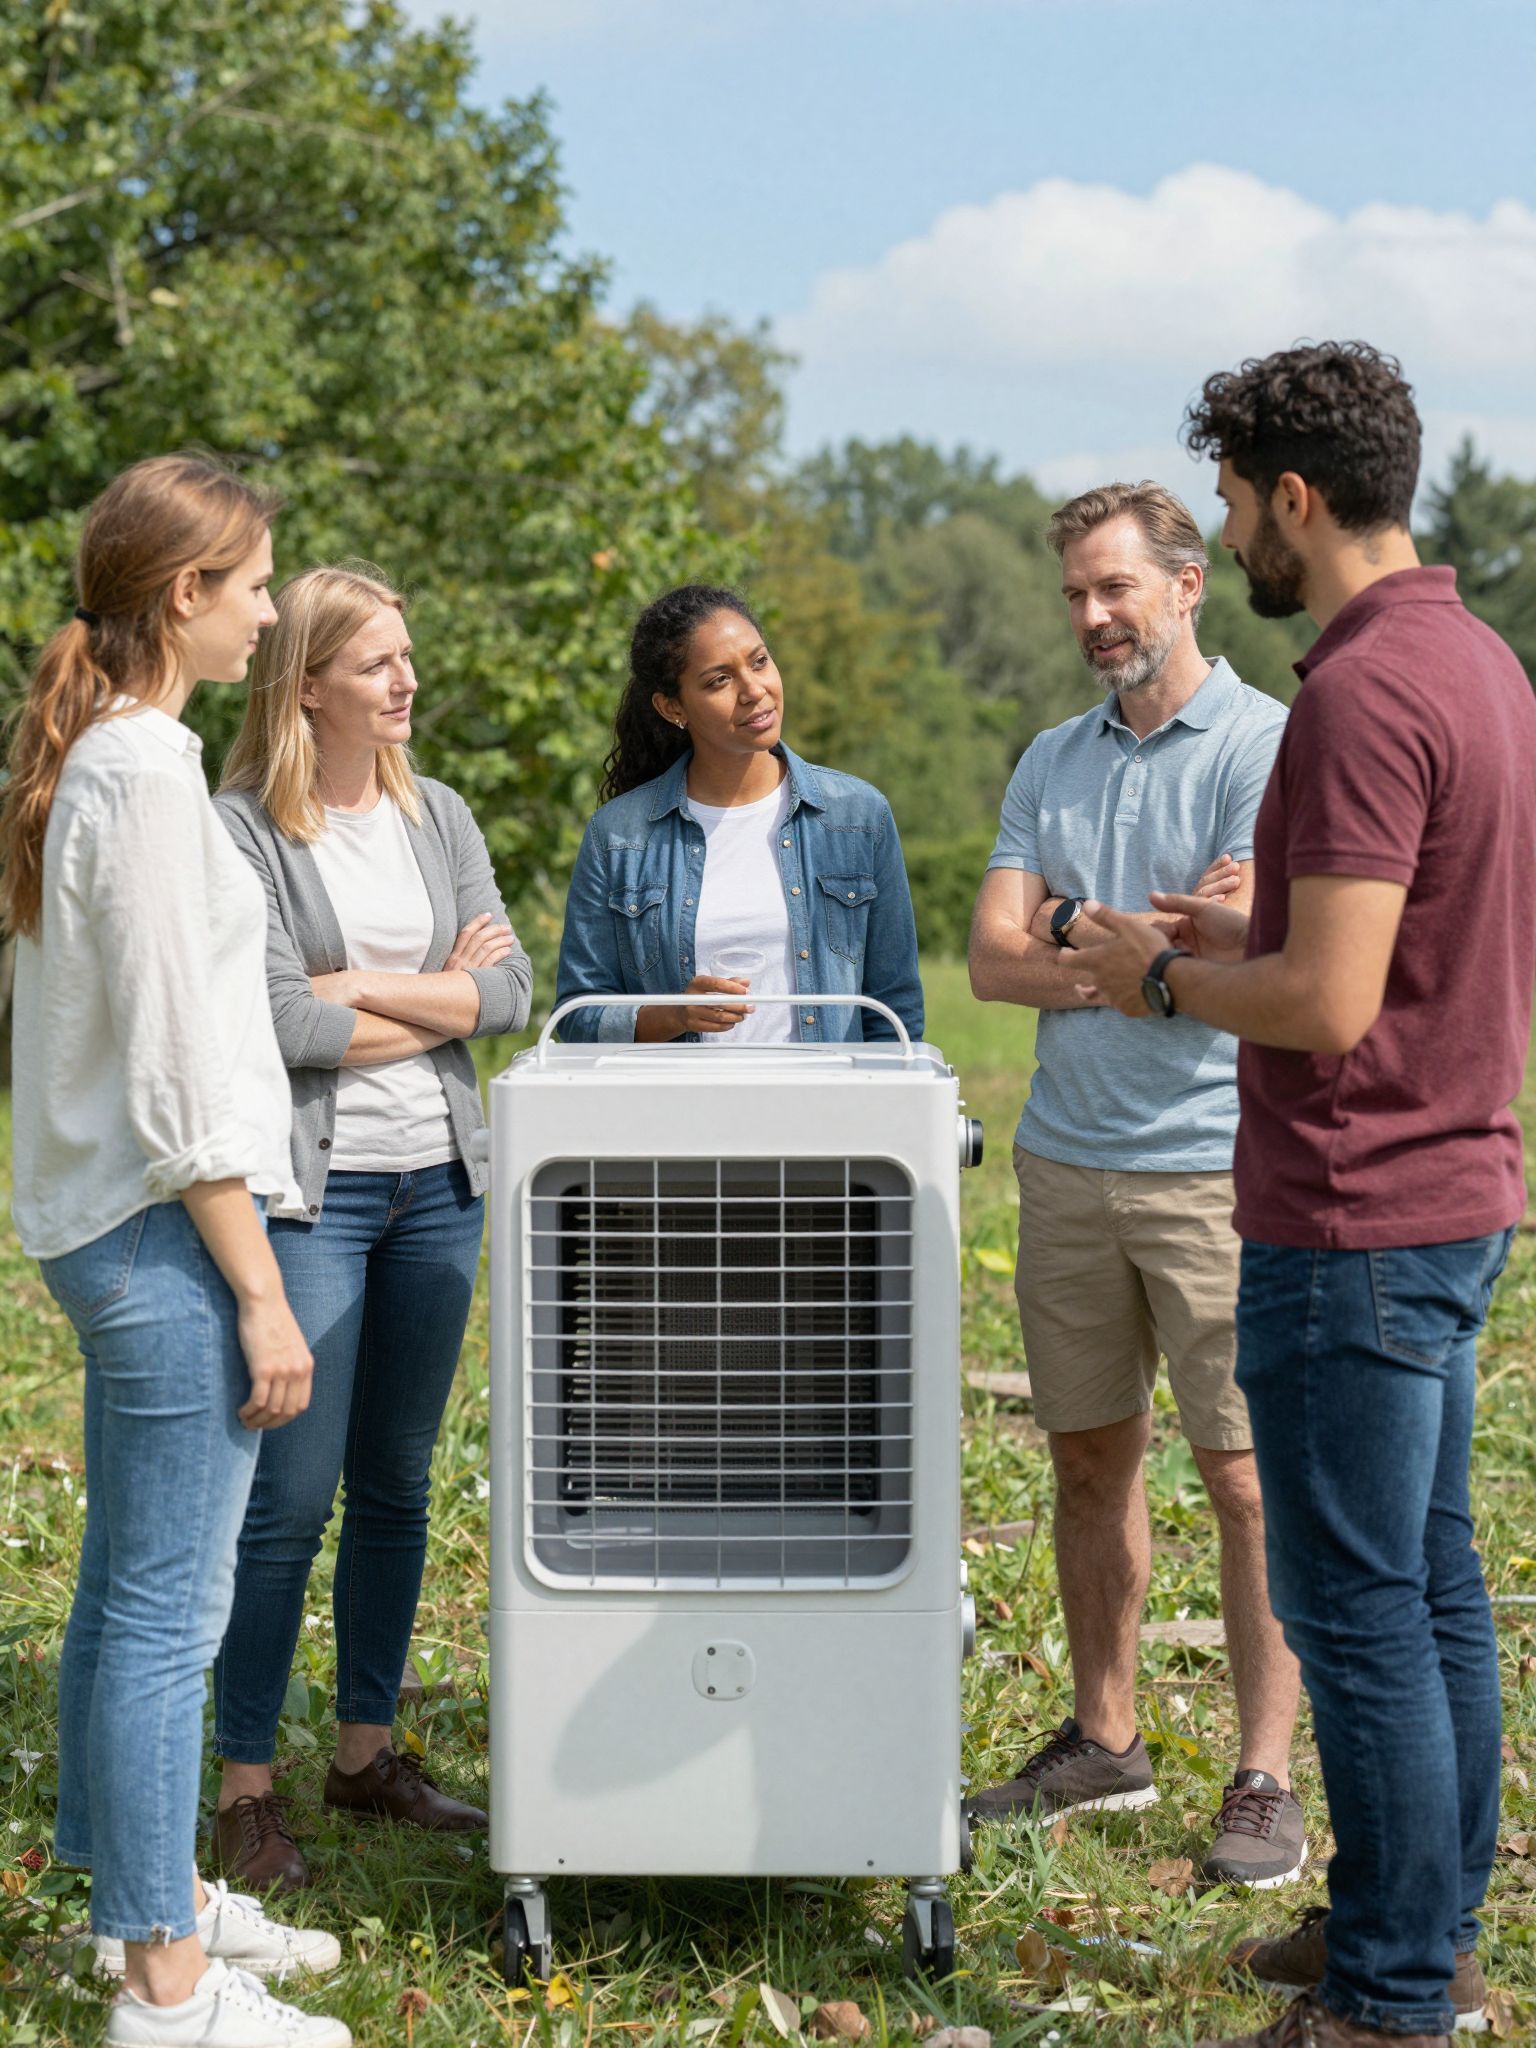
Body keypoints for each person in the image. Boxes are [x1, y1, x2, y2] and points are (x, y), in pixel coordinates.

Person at [1076, 345, 1536, 2048]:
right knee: (1426, 1587)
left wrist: (1154, 979)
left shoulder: (1351, 689)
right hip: (1452, 1185)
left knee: (1355, 1611)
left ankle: (1393, 1995)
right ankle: (1419, 1923)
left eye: (1233, 504)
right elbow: (1387, 946)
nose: (1231, 538)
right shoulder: (1477, 661)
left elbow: (1333, 1006)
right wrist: (1224, 939)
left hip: (1352, 1211)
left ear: (1292, 496)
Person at [4, 455, 351, 2046]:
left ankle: (131, 1896)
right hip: (163, 1234)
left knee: (129, 1597)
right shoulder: (139, 774)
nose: (272, 605)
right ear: (184, 597)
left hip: (128, 1222)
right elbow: (175, 1068)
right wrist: (263, 1289)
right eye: (256, 581)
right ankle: (163, 1986)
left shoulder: (117, 758)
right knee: (166, 1611)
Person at [966, 481, 1304, 1889]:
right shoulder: (1054, 755)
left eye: (1116, 590)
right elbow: (993, 958)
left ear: (1186, 587)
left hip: (1218, 1166)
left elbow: (1248, 965)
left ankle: (1264, 1778)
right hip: (1067, 1156)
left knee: (1243, 1476)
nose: (1094, 618)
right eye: (1076, 596)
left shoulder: (1266, 746)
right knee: (1088, 1455)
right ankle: (1105, 1740)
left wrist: (1131, 949)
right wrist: (1151, 953)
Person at [209, 563, 532, 1893]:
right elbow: (280, 1024)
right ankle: (245, 1786)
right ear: (308, 684)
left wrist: (380, 992)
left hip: (439, 1188)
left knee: (397, 1484)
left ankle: (363, 1752)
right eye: (379, 664)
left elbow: (509, 992)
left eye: (408, 658)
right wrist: (437, 993)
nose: (408, 682)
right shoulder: (245, 832)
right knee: (286, 1504)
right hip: (319, 1198)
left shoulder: (437, 812)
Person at [555, 583, 923, 1047]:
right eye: (719, 680)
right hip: (681, 1115)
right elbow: (579, 1016)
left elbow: (895, 1011)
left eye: (759, 661)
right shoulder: (618, 837)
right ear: (673, 708)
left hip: (826, 1110)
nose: (754, 690)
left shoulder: (858, 816)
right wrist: (673, 1015)